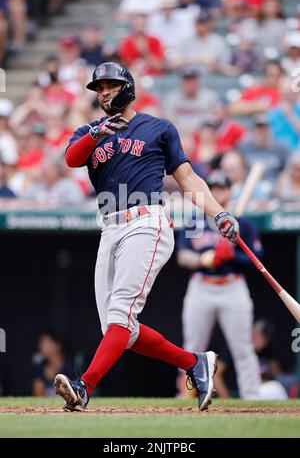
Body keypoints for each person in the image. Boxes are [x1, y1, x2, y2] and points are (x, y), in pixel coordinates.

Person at [54, 61, 240, 412]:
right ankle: (194, 363)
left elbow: (188, 180)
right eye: (99, 88)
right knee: (120, 329)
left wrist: (219, 212)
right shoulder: (89, 131)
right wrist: (98, 133)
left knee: (120, 317)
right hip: (109, 228)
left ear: (127, 87)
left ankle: (84, 387)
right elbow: (70, 159)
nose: (105, 92)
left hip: (146, 222)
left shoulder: (158, 128)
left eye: (110, 85)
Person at [176, 169, 262, 399]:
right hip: (201, 286)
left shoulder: (243, 224)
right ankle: (185, 395)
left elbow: (255, 261)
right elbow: (183, 257)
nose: (217, 192)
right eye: (212, 188)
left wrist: (232, 255)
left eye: (221, 188)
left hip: (233, 287)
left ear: (229, 191)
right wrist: (209, 257)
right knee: (192, 346)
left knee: (243, 348)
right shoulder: (195, 221)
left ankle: (252, 397)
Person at [32, 331, 74, 397]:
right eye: (41, 344)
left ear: (58, 345)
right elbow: (38, 396)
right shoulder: (40, 369)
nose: (41, 347)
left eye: (45, 343)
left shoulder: (70, 369)